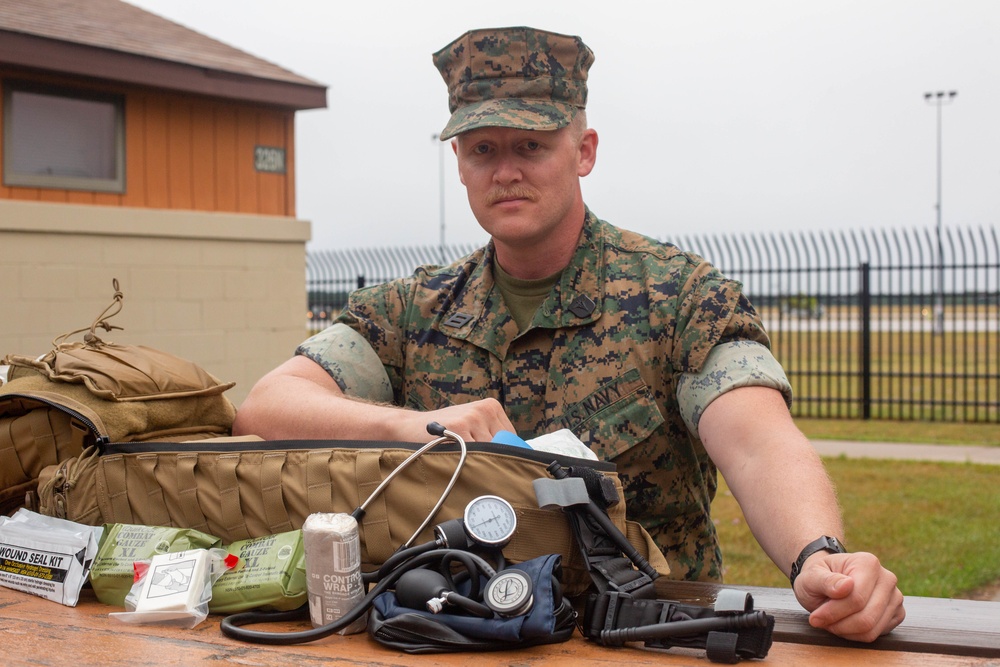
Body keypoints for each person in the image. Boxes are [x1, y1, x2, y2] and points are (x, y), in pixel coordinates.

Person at [234, 26, 905, 642]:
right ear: (460, 164)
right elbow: (266, 404)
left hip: (645, 635)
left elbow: (758, 443)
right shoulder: (413, 309)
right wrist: (410, 426)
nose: (507, 170)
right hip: (459, 632)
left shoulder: (677, 297)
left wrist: (821, 557)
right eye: (483, 149)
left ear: (582, 151)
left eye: (531, 144)